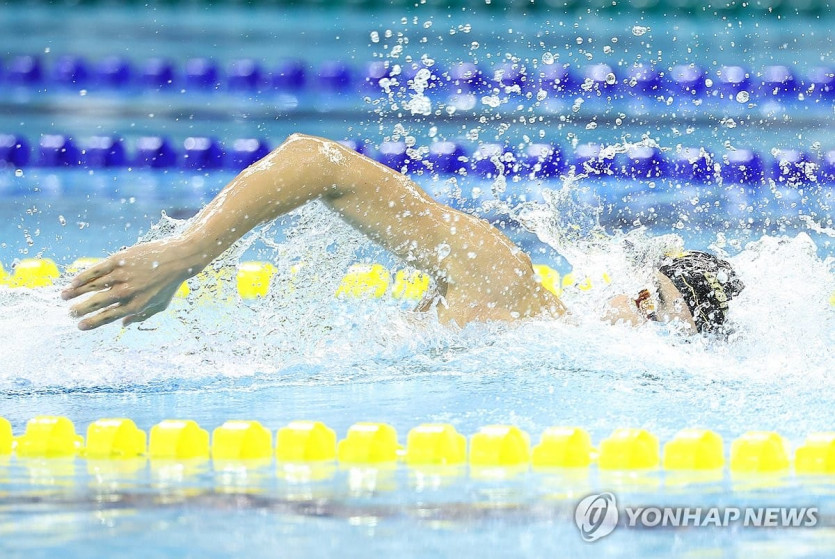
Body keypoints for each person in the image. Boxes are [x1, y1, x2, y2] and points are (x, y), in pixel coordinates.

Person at [61, 133, 743, 334]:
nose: (637, 314)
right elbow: (314, 159)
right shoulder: (507, 281)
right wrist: (186, 252)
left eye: (661, 320)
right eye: (648, 297)